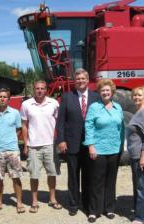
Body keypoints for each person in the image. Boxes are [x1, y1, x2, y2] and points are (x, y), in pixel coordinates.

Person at [56, 68, 100, 216]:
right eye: (78, 79)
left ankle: (87, 204)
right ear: (75, 81)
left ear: (88, 80)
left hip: (90, 145)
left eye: (83, 78)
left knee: (88, 175)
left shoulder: (96, 97)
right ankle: (73, 204)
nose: (81, 81)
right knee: (73, 176)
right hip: (71, 143)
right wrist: (61, 139)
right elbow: (60, 121)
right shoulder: (67, 97)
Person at [84, 79, 124, 223]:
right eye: (103, 91)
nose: (105, 93)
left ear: (112, 92)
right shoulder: (94, 107)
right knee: (96, 181)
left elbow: (122, 128)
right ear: (99, 93)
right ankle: (94, 211)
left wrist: (121, 146)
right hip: (98, 150)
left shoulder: (118, 108)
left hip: (114, 149)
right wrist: (90, 145)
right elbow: (88, 126)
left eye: (108, 90)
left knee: (111, 180)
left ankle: (110, 208)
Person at [20, 80, 62, 213]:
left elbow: (59, 123)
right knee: (34, 175)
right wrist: (25, 144)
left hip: (50, 144)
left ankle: (53, 199)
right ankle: (34, 201)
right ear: (34, 89)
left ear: (46, 90)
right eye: (37, 88)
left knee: (52, 173)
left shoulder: (53, 103)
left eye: (42, 88)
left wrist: (60, 141)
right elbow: (24, 125)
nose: (40, 91)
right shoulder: (26, 104)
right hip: (33, 145)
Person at [0, 88, 25, 214]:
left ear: (9, 99)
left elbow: (19, 129)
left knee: (16, 177)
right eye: (0, 96)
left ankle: (19, 203)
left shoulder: (15, 113)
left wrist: (10, 140)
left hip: (12, 150)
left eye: (5, 97)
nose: (2, 99)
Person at [126, 87, 144, 224]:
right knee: (138, 184)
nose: (137, 97)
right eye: (135, 95)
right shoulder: (138, 111)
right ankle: (140, 212)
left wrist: (143, 156)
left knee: (141, 186)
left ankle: (142, 217)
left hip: (141, 156)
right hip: (135, 155)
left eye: (140, 95)